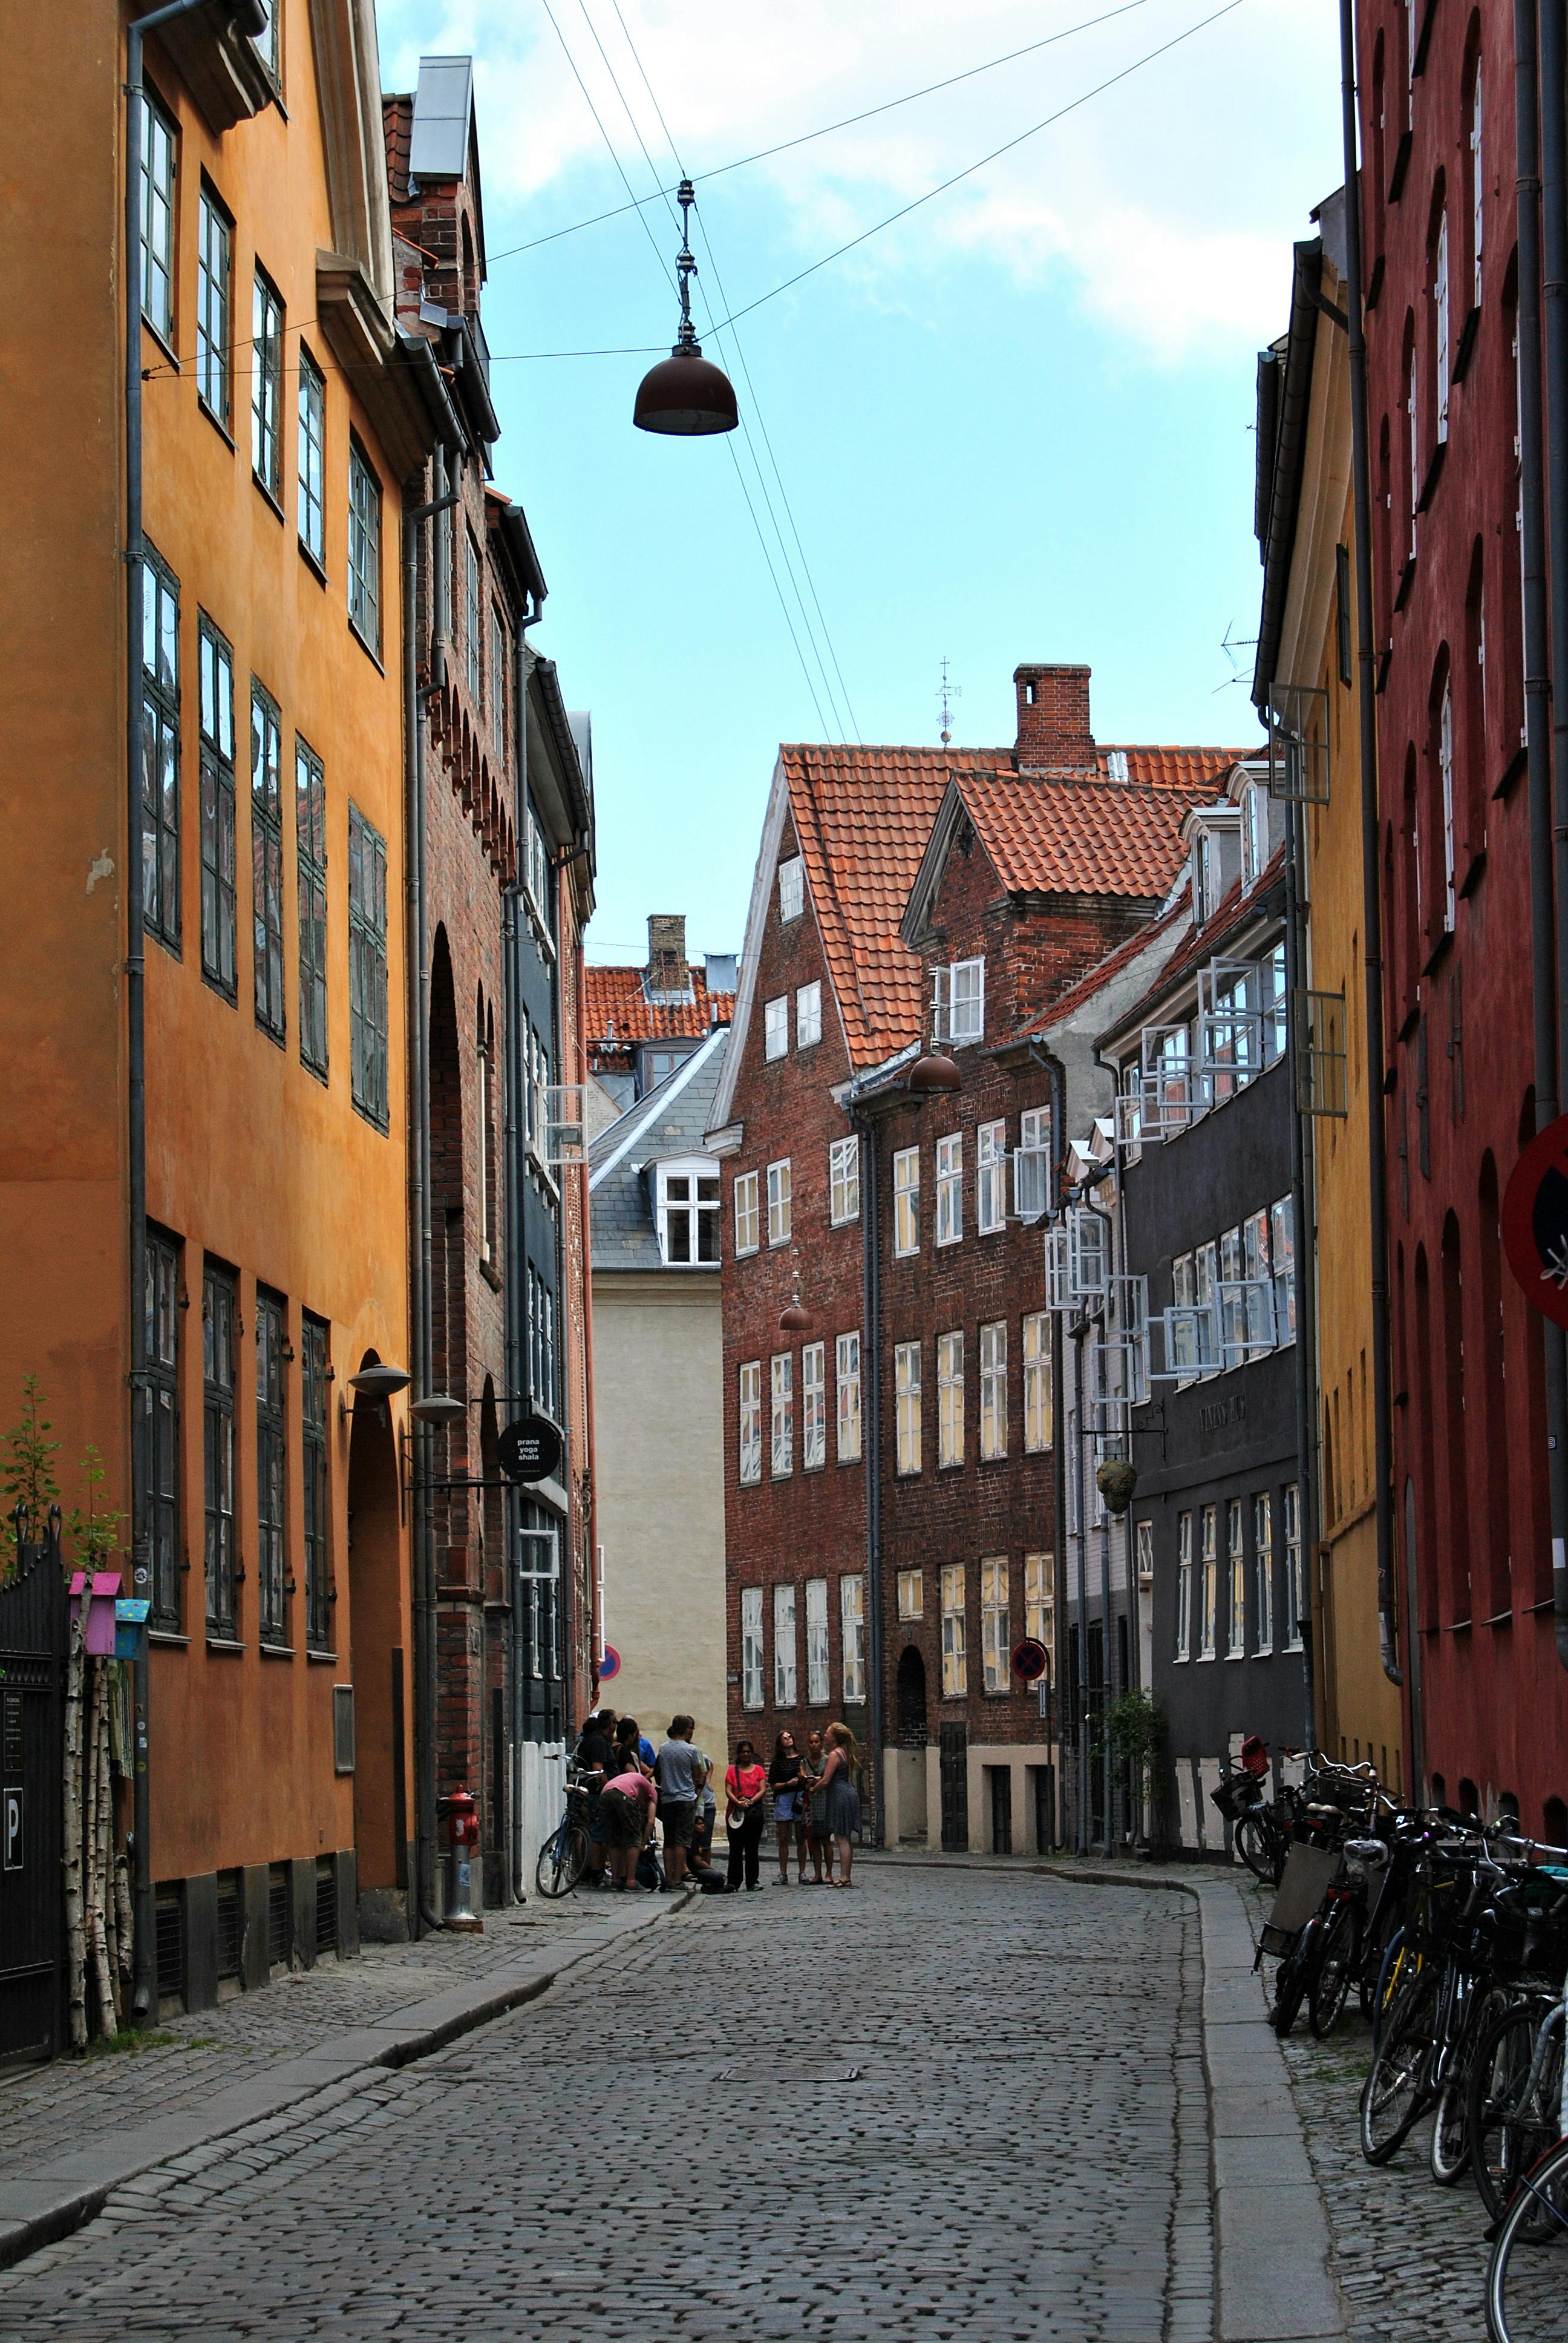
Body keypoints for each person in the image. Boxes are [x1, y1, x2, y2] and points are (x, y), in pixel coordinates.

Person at [654, 1713, 706, 1889]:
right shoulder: (690, 1750)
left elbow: (659, 1771)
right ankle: (677, 1878)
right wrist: (696, 1789)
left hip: (668, 1798)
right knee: (682, 1841)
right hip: (685, 1798)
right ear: (686, 1730)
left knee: (669, 1840)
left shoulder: (663, 1748)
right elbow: (698, 1773)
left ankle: (668, 1878)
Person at [599, 1755, 656, 1890]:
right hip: (623, 1795)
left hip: (606, 1793)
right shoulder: (652, 1792)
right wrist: (642, 1843)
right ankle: (631, 1881)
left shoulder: (633, 1780)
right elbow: (651, 1821)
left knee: (615, 1839)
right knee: (633, 1841)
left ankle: (616, 1880)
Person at [574, 1710, 616, 1887]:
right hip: (597, 1793)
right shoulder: (599, 1741)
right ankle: (595, 1870)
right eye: (616, 1722)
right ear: (611, 1724)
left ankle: (591, 1870)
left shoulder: (593, 1739)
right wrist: (607, 1789)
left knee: (591, 1831)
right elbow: (598, 1770)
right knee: (598, 1833)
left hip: (591, 1791)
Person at [818, 1722, 861, 1889]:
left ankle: (844, 1877)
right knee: (845, 1838)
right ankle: (846, 1876)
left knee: (841, 1838)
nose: (825, 1735)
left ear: (834, 1737)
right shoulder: (844, 1752)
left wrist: (814, 1789)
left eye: (828, 1733)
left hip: (840, 1795)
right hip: (846, 1792)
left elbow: (826, 1780)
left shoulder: (834, 1755)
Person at [725, 1737, 768, 1890]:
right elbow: (728, 1791)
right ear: (739, 1754)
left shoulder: (758, 1770)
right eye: (743, 1752)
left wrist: (750, 1802)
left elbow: (762, 1789)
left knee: (752, 1848)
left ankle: (752, 1881)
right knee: (736, 1848)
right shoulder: (732, 1771)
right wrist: (738, 1803)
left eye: (748, 1751)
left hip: (753, 1812)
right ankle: (734, 1881)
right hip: (735, 1814)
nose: (746, 1754)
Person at [768, 1731, 809, 1884]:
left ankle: (802, 1872)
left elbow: (807, 1778)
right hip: (784, 1798)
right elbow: (773, 1785)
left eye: (789, 1737)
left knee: (801, 1836)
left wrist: (802, 1779)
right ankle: (783, 1873)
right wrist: (787, 1784)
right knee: (784, 1837)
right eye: (784, 1738)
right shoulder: (777, 1762)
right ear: (780, 1743)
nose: (788, 1739)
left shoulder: (801, 1759)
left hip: (799, 1797)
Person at [803, 1730, 835, 1884]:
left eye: (816, 1742)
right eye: (811, 1742)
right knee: (814, 1840)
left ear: (821, 1743)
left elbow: (830, 1779)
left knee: (826, 1839)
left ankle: (829, 1873)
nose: (814, 1745)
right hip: (811, 1804)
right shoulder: (804, 1762)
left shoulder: (827, 1760)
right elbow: (802, 1780)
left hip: (825, 1801)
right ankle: (817, 1874)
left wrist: (819, 1781)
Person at [690, 1750, 718, 1875]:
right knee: (694, 1842)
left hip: (707, 1802)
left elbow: (710, 1765)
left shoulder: (702, 1757)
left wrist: (709, 1781)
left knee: (706, 1841)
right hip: (693, 1803)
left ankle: (708, 1872)